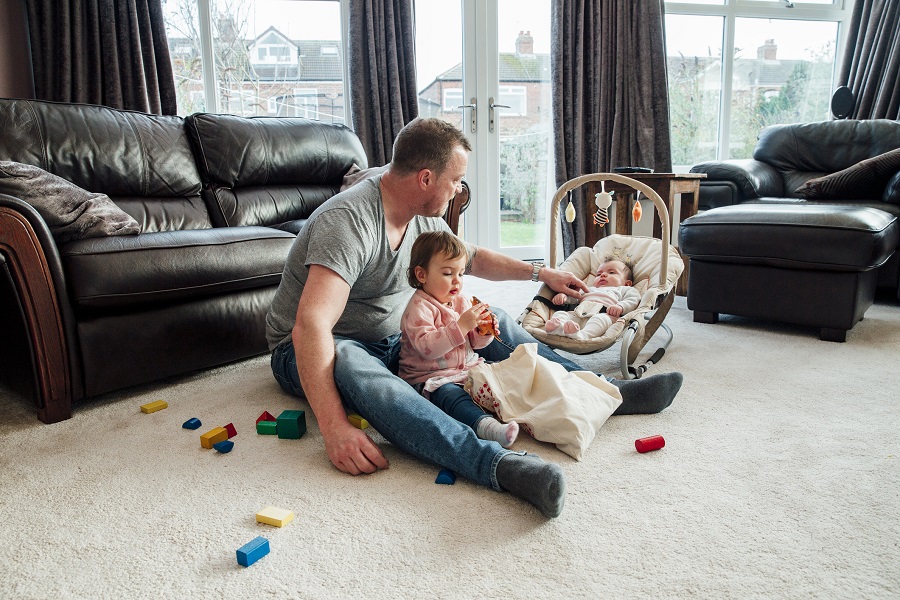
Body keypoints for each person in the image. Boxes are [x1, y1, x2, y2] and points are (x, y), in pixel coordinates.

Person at [266, 117, 683, 518]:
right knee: (354, 360)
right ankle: (495, 464)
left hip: (400, 336)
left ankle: (604, 389)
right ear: (425, 178)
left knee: (492, 316)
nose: (459, 189)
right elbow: (312, 326)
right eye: (455, 180)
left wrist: (541, 273)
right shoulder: (349, 223)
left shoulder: (420, 211)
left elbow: (470, 257)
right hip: (307, 350)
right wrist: (334, 427)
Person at [399, 230, 519, 448]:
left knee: (499, 373)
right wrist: (462, 325)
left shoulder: (461, 301)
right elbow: (428, 348)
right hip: (430, 378)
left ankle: (521, 410)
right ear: (421, 275)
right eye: (447, 273)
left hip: (466, 367)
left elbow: (472, 344)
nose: (457, 281)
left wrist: (484, 332)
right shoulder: (418, 308)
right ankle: (487, 427)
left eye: (461, 274)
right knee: (451, 397)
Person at [545, 259, 641, 339]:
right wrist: (564, 297)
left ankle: (583, 335)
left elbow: (633, 299)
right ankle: (558, 328)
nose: (603, 275)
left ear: (627, 283)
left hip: (605, 314)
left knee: (599, 320)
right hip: (578, 313)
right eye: (598, 274)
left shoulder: (624, 289)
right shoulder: (588, 289)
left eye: (611, 272)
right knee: (560, 314)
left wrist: (621, 306)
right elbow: (575, 296)